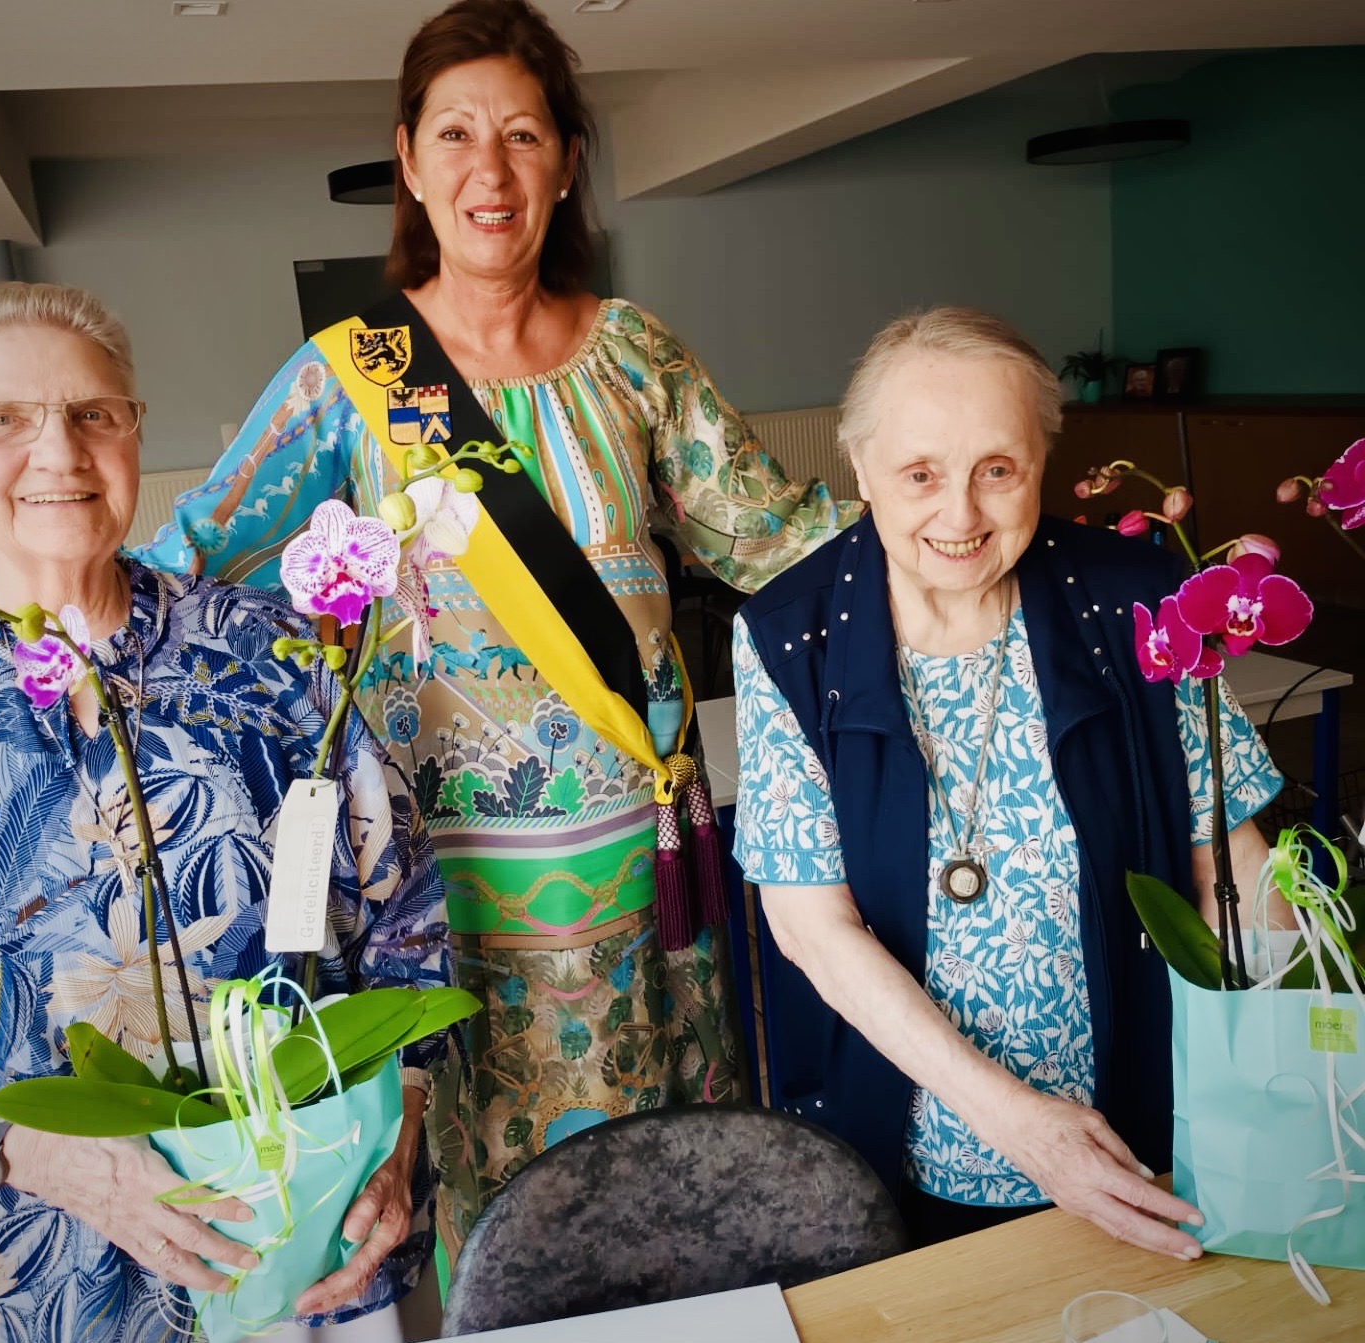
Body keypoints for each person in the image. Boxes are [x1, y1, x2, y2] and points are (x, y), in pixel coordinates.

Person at [138, 0, 858, 1257]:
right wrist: (17, 611)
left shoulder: (634, 354)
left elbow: (773, 534)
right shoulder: (349, 376)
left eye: (524, 134)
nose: (492, 167)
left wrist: (957, 515)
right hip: (455, 893)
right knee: (520, 1228)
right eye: (458, 132)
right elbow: (190, 566)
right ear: (409, 158)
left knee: (679, 1199)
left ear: (567, 161)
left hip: (647, 870)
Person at [0, 282, 451, 1341]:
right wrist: (28, 1148)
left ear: (133, 434)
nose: (60, 453)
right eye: (2, 420)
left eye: (92, 413)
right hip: (33, 1271)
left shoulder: (274, 655)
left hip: (312, 1257)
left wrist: (392, 1142)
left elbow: (407, 924)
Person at [731, 307, 1286, 1256]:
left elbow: (1234, 869)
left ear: (1041, 458)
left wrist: (1301, 1071)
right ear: (858, 465)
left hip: (1156, 1125)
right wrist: (1024, 1126)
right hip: (913, 1144)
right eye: (920, 474)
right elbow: (812, 930)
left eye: (999, 469)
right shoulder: (792, 634)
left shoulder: (1139, 600)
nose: (962, 515)